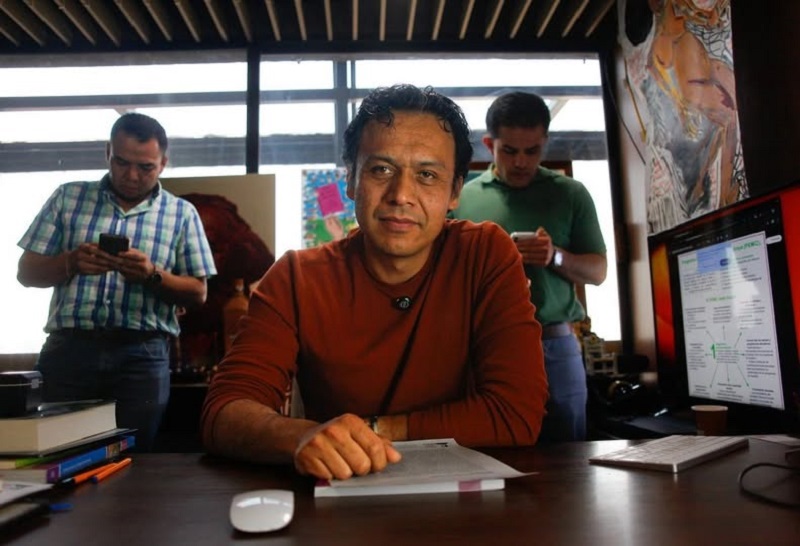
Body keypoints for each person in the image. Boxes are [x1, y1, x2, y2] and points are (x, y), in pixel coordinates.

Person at [201, 84, 548, 481]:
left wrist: (372, 430)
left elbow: (516, 414)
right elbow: (223, 413)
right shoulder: (297, 277)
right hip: (339, 494)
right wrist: (301, 437)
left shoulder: (484, 254)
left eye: (427, 175)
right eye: (381, 170)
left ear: (454, 191)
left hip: (466, 499)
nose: (401, 195)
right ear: (351, 179)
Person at [17, 112, 217, 451]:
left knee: (136, 460)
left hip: (142, 354)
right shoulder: (68, 197)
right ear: (107, 152)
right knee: (55, 456)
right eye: (122, 162)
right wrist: (70, 262)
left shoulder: (182, 213)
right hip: (69, 349)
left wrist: (151, 275)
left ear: (163, 163)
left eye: (145, 167)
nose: (132, 175)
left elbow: (198, 293)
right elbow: (26, 273)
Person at [451, 92, 607, 442]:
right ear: (489, 144)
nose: (521, 162)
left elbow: (598, 272)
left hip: (556, 342)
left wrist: (555, 256)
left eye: (532, 151)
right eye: (509, 151)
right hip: (483, 343)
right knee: (490, 445)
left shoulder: (571, 194)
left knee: (570, 451)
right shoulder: (461, 199)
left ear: (545, 143)